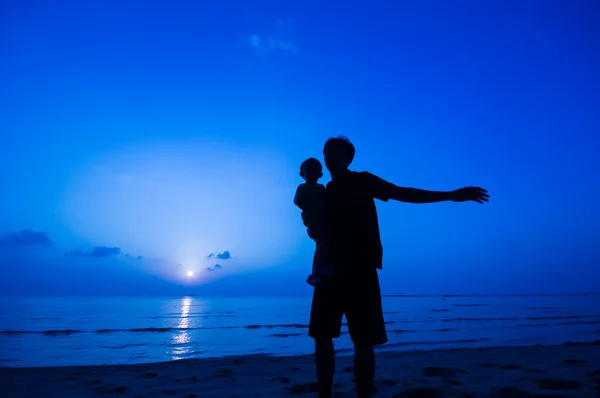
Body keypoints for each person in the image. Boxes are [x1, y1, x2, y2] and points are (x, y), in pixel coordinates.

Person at [307, 136, 490, 398]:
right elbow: (315, 226)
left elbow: (402, 193)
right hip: (326, 273)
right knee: (322, 338)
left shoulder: (363, 180)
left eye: (337, 152)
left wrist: (450, 195)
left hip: (360, 271)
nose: (331, 156)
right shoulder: (321, 192)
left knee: (363, 340)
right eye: (327, 152)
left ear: (349, 159)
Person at [294, 157, 338, 287]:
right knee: (324, 241)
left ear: (320, 175)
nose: (312, 174)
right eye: (309, 171)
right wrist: (311, 207)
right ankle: (319, 268)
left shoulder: (321, 188)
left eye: (315, 171)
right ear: (302, 174)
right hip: (314, 223)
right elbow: (298, 201)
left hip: (323, 222)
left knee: (323, 244)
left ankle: (316, 274)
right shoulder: (302, 188)